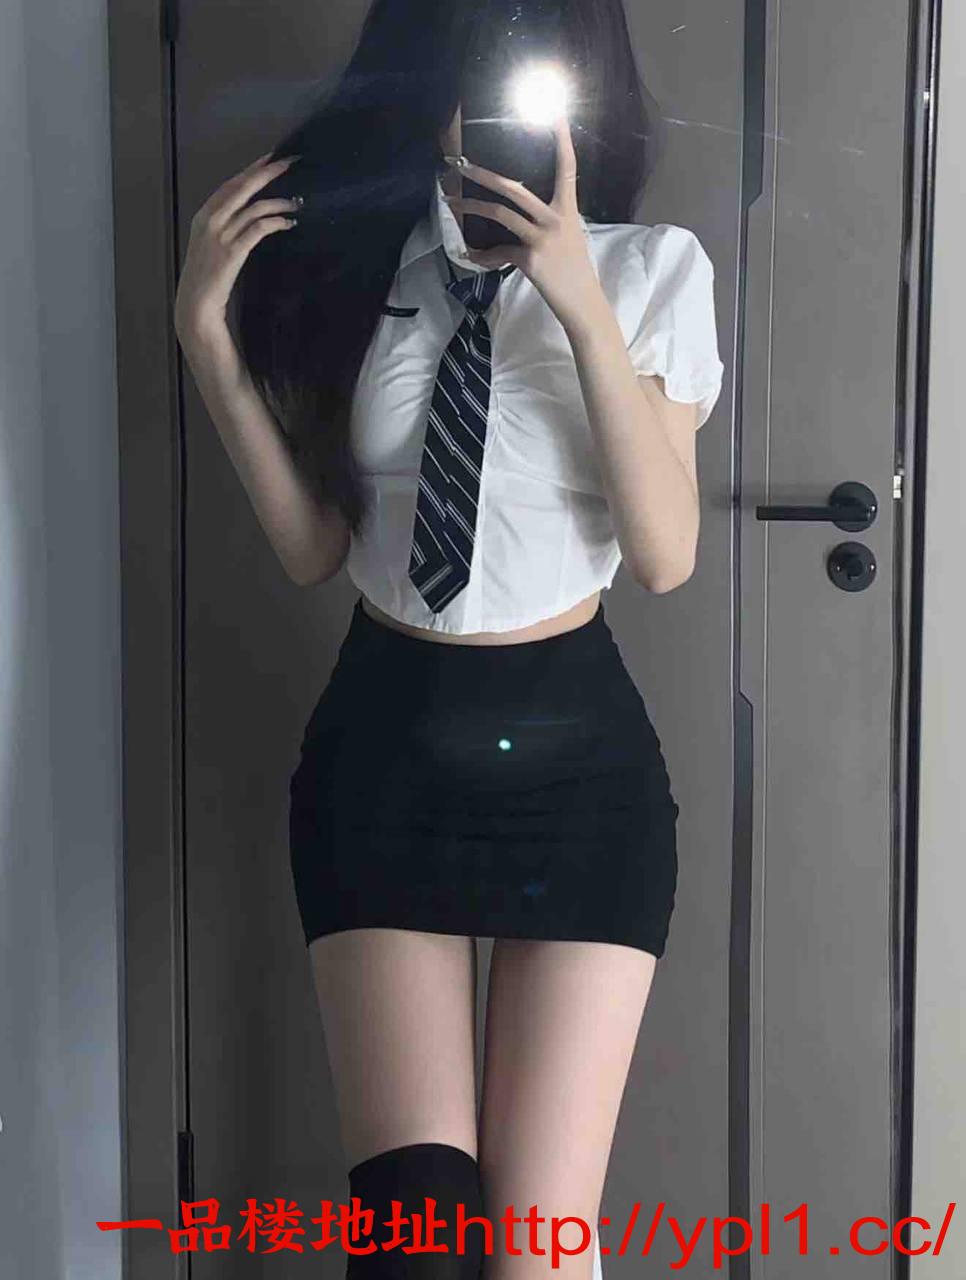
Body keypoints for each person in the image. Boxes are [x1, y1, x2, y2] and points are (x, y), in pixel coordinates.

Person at [173, 3, 724, 1279]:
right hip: (383, 752)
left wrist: (577, 300)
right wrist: (207, 339)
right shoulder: (370, 269)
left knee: (537, 1252)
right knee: (414, 1240)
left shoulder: (654, 272)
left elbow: (665, 554)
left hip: (577, 780)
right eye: (464, 78)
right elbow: (314, 547)